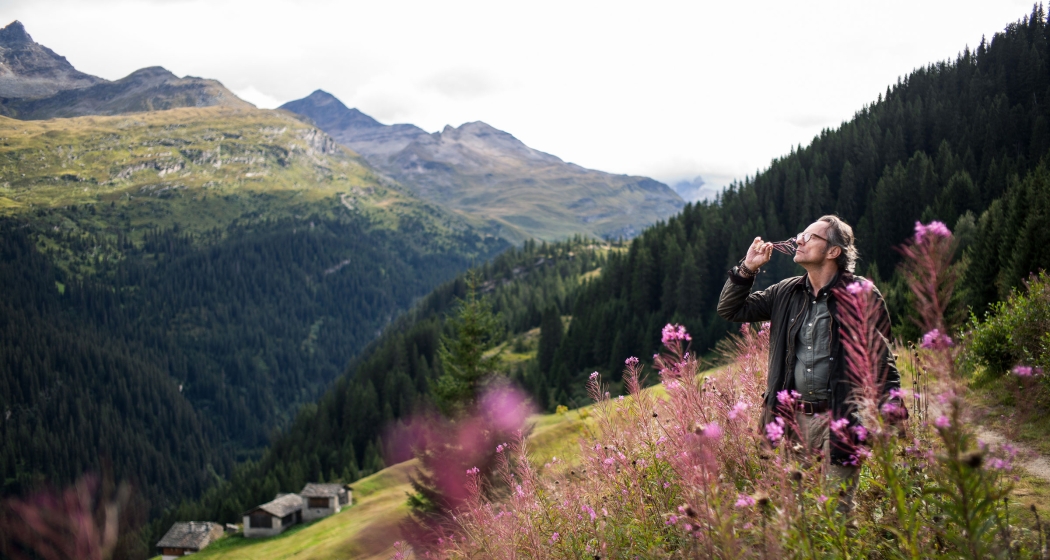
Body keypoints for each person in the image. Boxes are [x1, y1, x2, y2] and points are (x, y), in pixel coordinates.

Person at [716, 215, 903, 510]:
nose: (799, 240)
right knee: (795, 514)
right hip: (791, 421)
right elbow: (731, 308)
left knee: (836, 514)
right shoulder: (785, 292)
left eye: (810, 237)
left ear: (833, 252)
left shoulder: (860, 294)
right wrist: (747, 269)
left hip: (841, 419)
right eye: (800, 234)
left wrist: (891, 419)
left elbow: (882, 362)